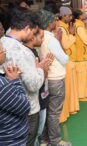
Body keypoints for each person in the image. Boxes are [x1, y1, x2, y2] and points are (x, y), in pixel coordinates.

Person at [1, 8, 52, 146]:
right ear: (27, 28)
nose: (32, 37)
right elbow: (33, 84)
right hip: (28, 109)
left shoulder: (3, 41)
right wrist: (41, 69)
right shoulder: (22, 51)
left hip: (8, 108)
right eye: (33, 32)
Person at [37, 9, 70, 146]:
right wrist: (59, 41)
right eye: (54, 20)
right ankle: (55, 141)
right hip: (55, 79)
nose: (56, 22)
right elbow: (64, 59)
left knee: (44, 110)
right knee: (54, 112)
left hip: (43, 77)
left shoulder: (37, 36)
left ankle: (44, 140)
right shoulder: (51, 39)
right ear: (50, 23)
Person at [23, 28, 54, 146]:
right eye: (41, 37)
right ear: (32, 37)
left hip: (42, 95)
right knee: (35, 132)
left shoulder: (34, 51)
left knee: (38, 130)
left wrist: (43, 68)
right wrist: (43, 69)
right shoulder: (27, 54)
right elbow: (34, 82)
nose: (43, 39)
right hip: (36, 99)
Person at [0, 41, 31, 146]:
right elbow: (25, 107)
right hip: (10, 140)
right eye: (3, 51)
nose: (5, 53)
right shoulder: (2, 86)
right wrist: (15, 81)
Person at [58, 6, 80, 123]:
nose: (71, 18)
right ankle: (68, 110)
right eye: (69, 16)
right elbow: (65, 45)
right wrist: (72, 35)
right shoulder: (61, 28)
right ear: (64, 16)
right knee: (68, 88)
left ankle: (71, 108)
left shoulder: (65, 26)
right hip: (66, 61)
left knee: (71, 87)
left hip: (70, 61)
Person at [73, 10, 87, 102]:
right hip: (81, 56)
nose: (85, 14)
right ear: (80, 16)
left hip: (81, 55)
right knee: (82, 77)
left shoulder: (79, 25)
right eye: (83, 13)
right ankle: (81, 96)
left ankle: (83, 95)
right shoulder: (79, 26)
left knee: (83, 77)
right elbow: (86, 40)